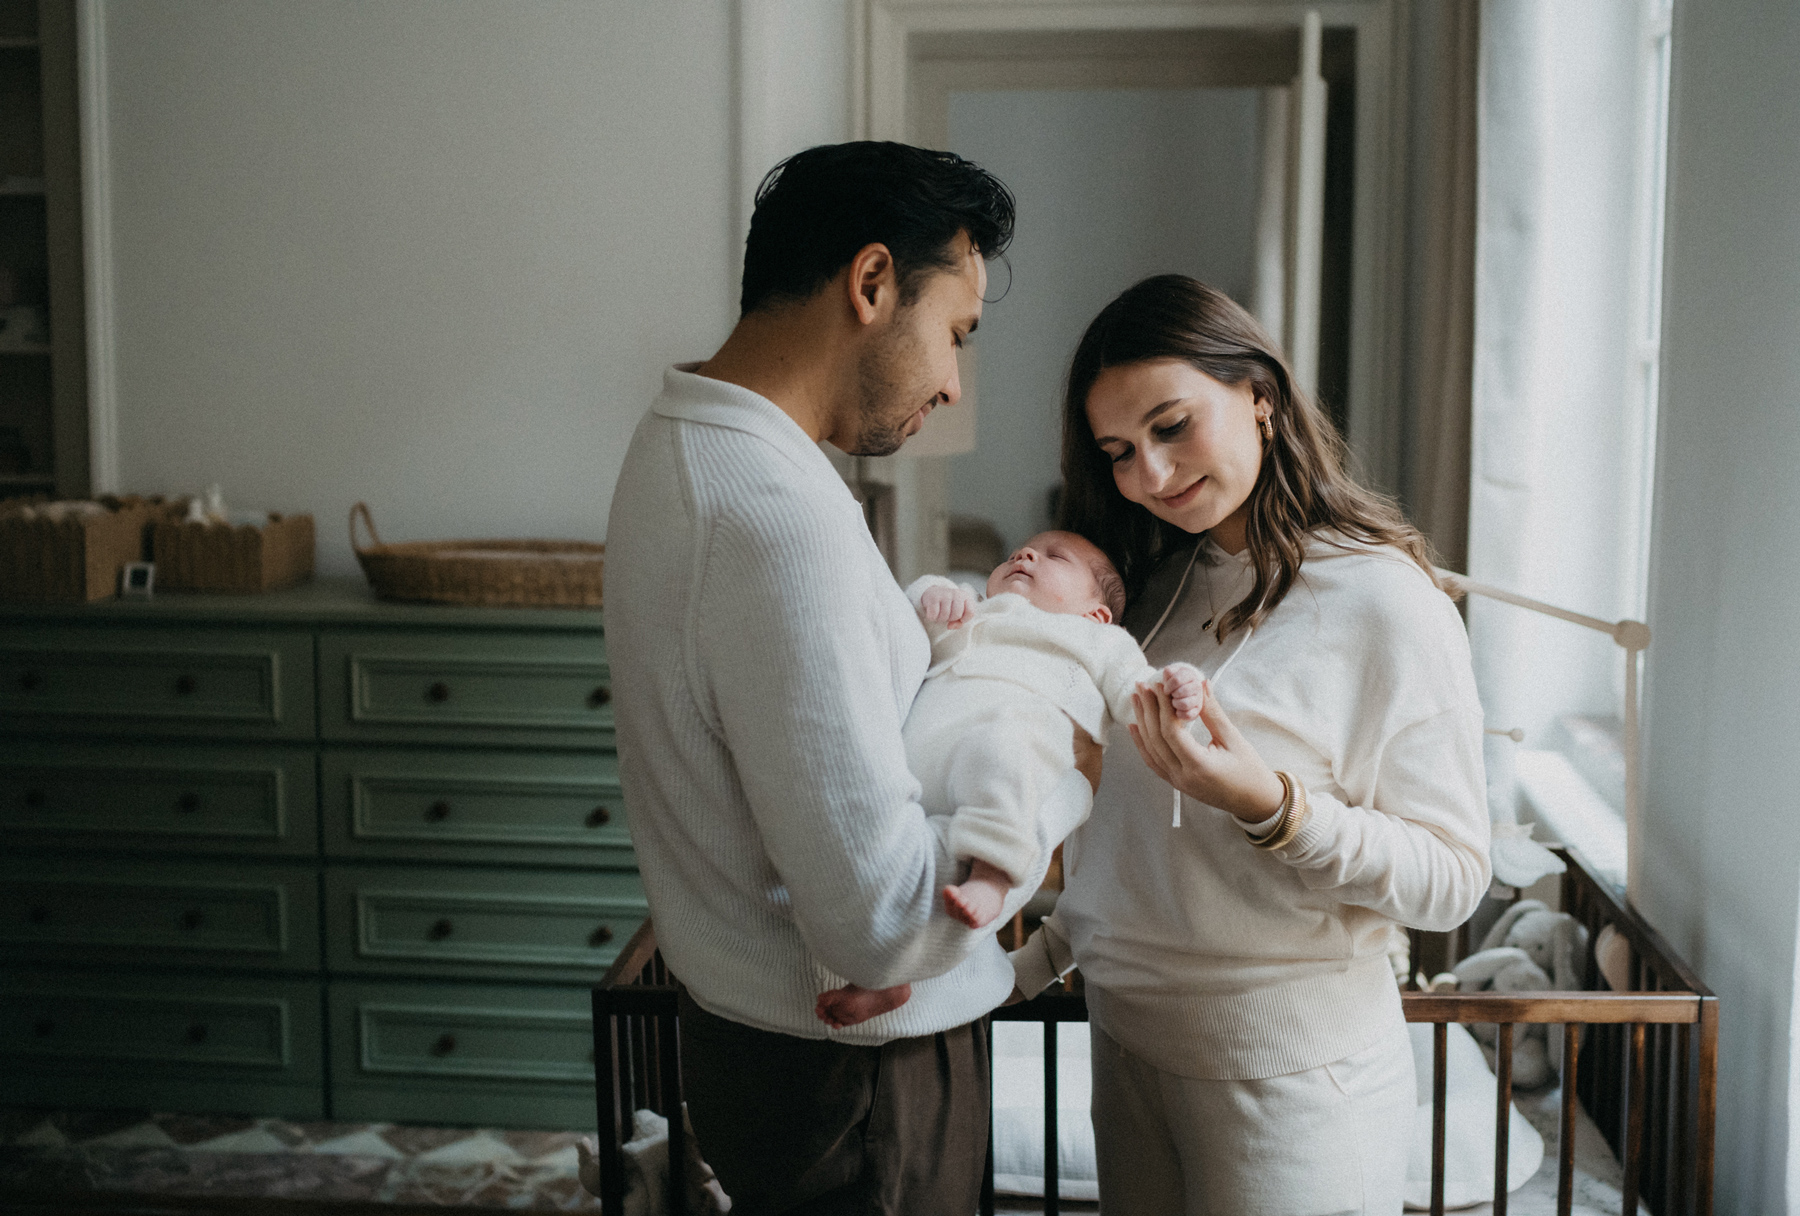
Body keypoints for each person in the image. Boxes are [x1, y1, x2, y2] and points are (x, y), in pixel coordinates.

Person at [605, 142, 1098, 1215]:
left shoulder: (681, 443)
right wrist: (1067, 785)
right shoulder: (775, 519)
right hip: (856, 1077)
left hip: (767, 1041)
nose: (953, 382)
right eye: (956, 333)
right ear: (872, 282)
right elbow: (886, 925)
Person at [1010, 274, 1490, 1215]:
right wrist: (1007, 972)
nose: (1151, 476)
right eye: (1118, 452)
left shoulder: (1385, 603)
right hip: (1125, 1052)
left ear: (1260, 397)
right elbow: (1125, 868)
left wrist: (1270, 805)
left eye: (1172, 426)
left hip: (1296, 1088)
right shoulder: (1148, 590)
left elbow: (1454, 877)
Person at [815, 530, 1205, 1030]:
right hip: (922, 755)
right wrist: (931, 594)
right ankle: (882, 972)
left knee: (1005, 745)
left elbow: (1138, 695)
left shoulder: (1099, 643)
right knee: (883, 858)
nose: (1026, 554)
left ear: (1096, 614)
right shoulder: (974, 609)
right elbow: (905, 621)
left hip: (1012, 751)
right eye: (1020, 552)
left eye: (1055, 557)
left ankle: (993, 873)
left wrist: (1176, 689)